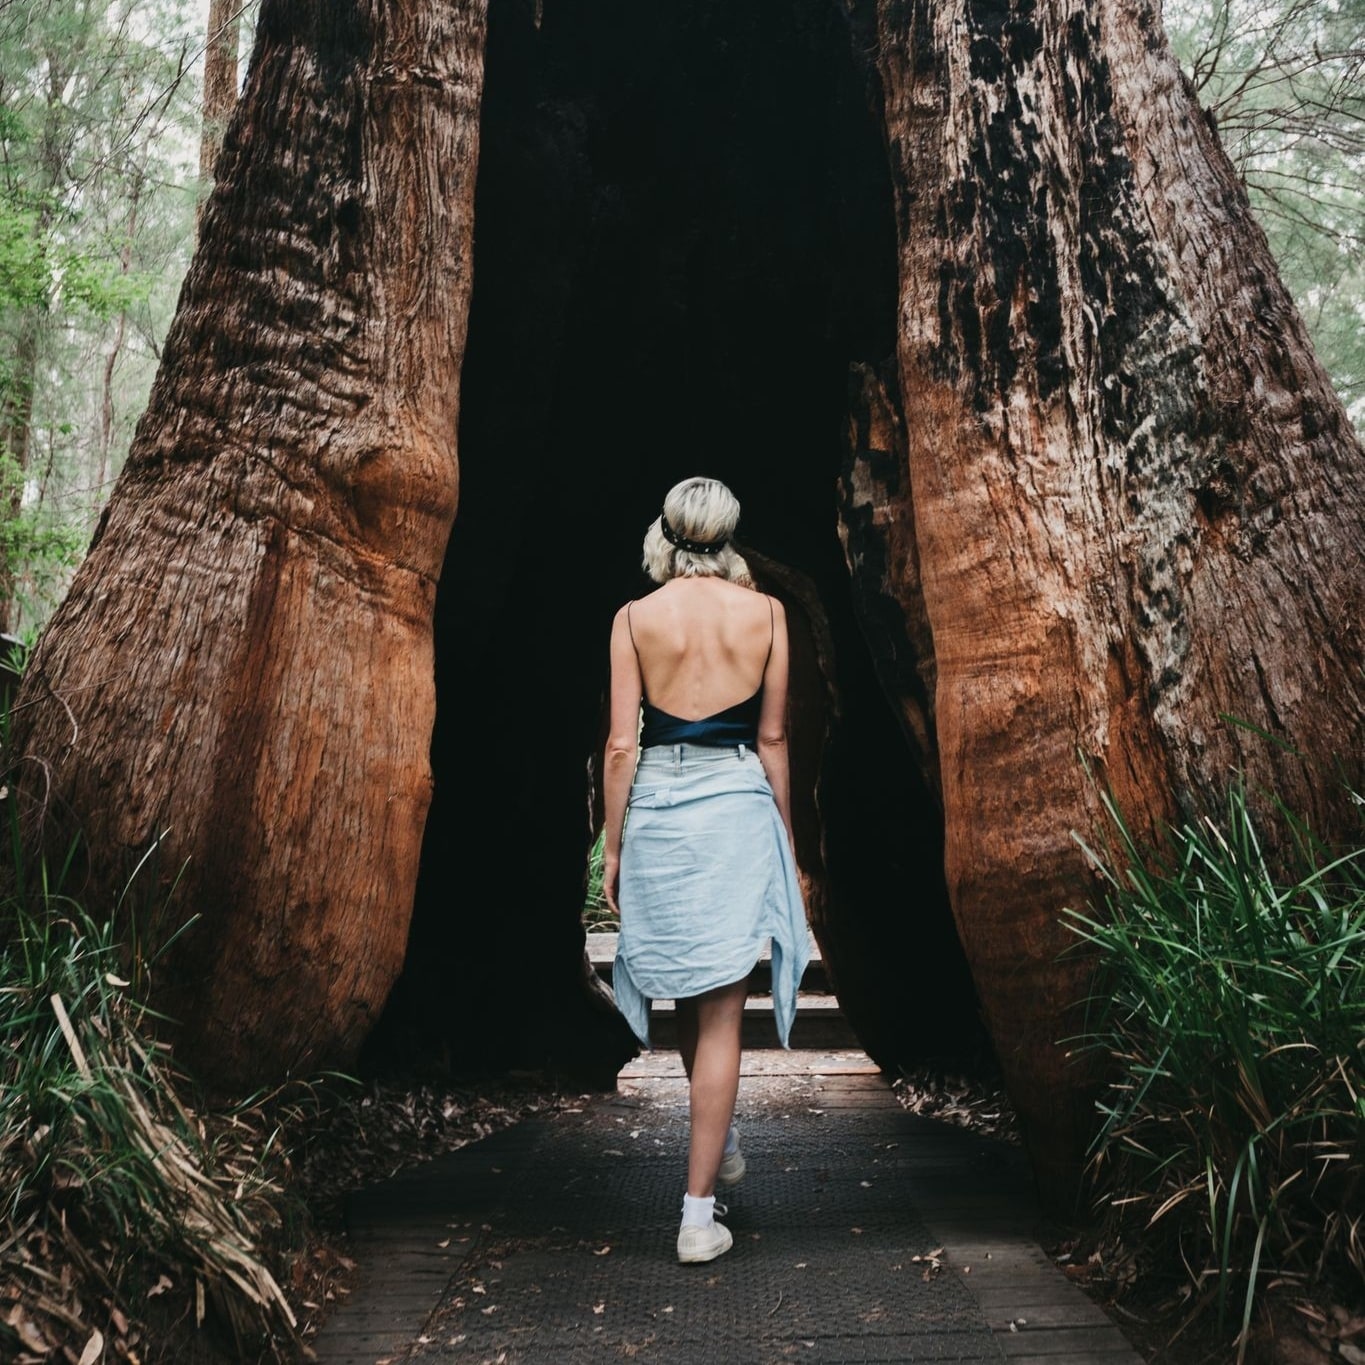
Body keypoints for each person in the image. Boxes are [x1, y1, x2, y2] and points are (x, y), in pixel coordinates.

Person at [602, 476, 810, 1265]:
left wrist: (612, 845)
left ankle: (709, 1169)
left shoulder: (632, 618)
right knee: (719, 1002)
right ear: (729, 535)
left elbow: (622, 745)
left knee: (692, 995)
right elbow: (775, 739)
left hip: (657, 803)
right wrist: (783, 835)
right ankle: (697, 1213)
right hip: (733, 803)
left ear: (668, 530)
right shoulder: (765, 614)